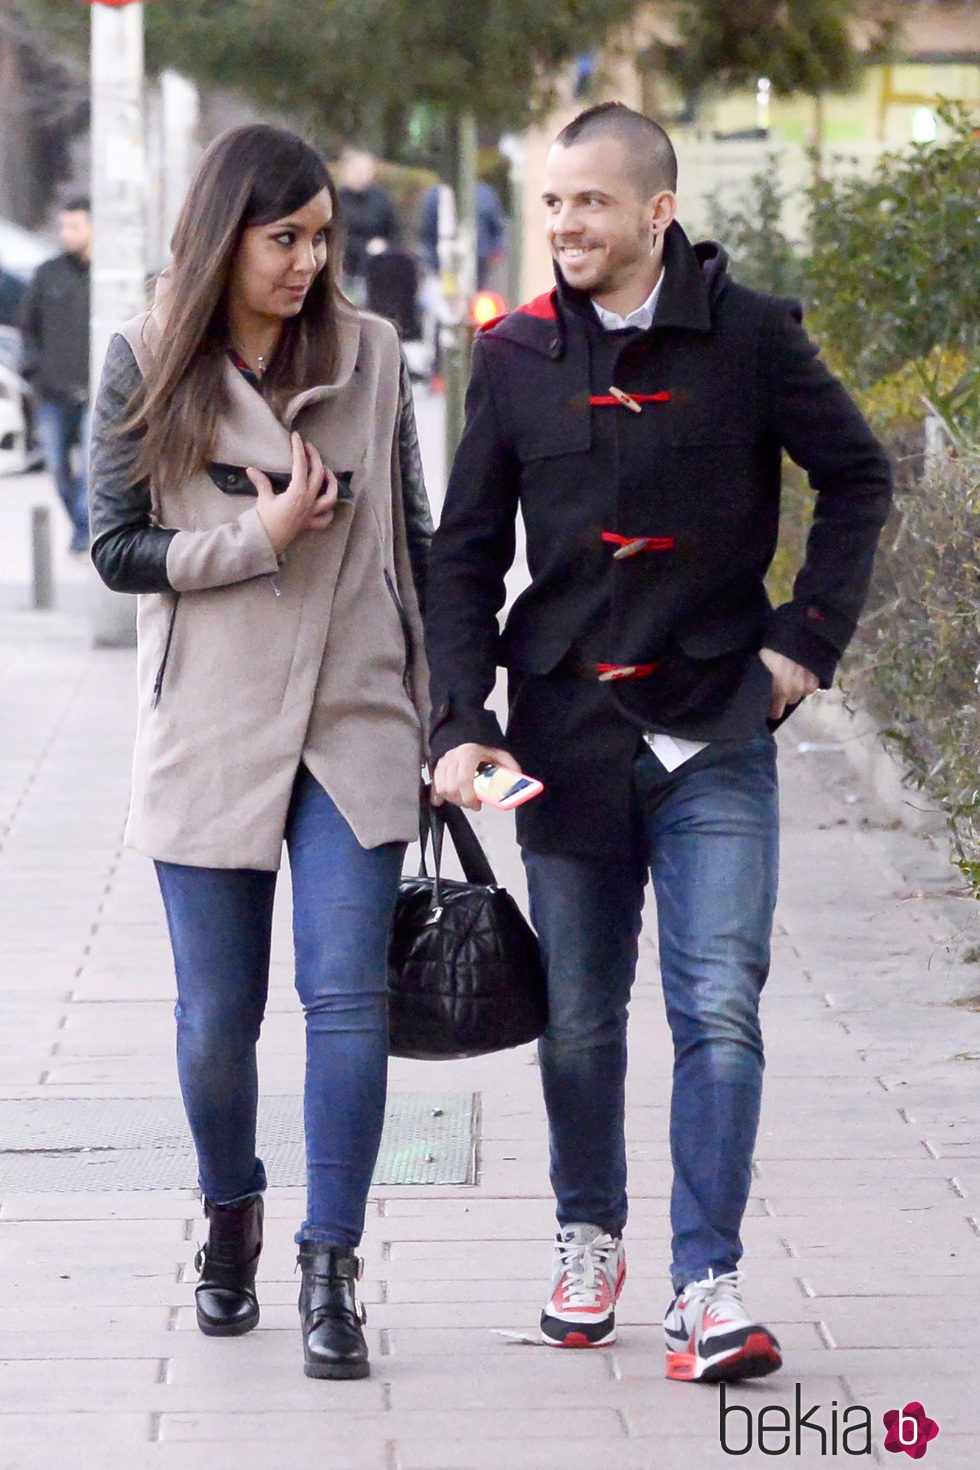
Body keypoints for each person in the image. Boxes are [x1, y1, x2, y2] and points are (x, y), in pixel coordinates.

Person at [424, 102, 891, 1383]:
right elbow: (461, 556)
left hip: (716, 727)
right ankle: (586, 1238)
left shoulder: (751, 337)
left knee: (718, 1009)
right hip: (563, 737)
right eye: (553, 202)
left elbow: (856, 478)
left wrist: (804, 644)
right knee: (578, 1019)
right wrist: (459, 721)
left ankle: (706, 1285)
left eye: (589, 201)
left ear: (656, 211)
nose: (566, 224)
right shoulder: (513, 355)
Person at [89, 125, 431, 1381]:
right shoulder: (145, 356)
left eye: (321, 238)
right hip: (212, 724)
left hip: (353, 717)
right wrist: (262, 535)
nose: (307, 261)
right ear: (225, 233)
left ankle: (329, 1261)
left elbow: (414, 539)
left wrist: (446, 720)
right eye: (283, 238)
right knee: (213, 1022)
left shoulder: (375, 355)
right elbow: (115, 548)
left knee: (350, 1001)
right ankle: (229, 1212)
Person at [18, 196, 91, 552]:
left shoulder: (111, 278)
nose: (67, 233)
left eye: (75, 226)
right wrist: (34, 373)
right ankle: (81, 525)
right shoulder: (48, 274)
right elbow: (27, 329)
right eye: (63, 226)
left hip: (97, 392)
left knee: (96, 466)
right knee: (57, 467)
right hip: (54, 393)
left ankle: (88, 533)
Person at [336, 148, 401, 301]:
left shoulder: (382, 199)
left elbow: (395, 232)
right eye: (357, 170)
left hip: (379, 268)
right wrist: (364, 246)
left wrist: (385, 246)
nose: (361, 175)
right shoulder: (337, 200)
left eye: (366, 170)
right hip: (347, 268)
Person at [419, 179, 507, 289]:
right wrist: (432, 259)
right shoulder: (435, 195)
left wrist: (498, 249)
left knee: (478, 298)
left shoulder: (486, 194)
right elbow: (426, 231)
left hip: (480, 261)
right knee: (449, 295)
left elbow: (497, 227)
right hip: (445, 263)